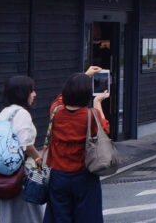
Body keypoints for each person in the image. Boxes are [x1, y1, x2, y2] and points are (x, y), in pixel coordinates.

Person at [44, 67, 110, 223]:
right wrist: (97, 102)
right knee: (87, 216)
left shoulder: (56, 111)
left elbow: (59, 99)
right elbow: (104, 129)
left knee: (59, 216)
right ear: (87, 94)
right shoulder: (90, 116)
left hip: (58, 174)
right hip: (84, 174)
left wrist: (84, 76)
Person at [0, 75, 43, 223]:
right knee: (22, 216)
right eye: (32, 91)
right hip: (16, 175)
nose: (34, 94)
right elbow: (26, 145)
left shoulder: (5, 112)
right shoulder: (22, 114)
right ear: (22, 93)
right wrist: (40, 160)